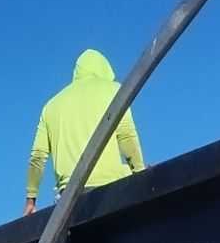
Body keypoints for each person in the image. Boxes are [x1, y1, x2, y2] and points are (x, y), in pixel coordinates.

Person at [24, 48, 144, 215]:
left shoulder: (50, 106)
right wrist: (141, 175)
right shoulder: (113, 89)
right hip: (109, 190)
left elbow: (37, 156)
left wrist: (31, 199)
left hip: (68, 200)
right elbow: (127, 136)